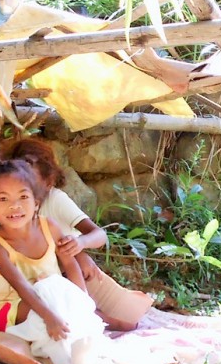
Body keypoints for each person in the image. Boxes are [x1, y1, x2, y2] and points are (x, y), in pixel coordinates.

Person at [9, 138, 153, 331]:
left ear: (48, 181)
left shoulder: (56, 200)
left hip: (70, 268)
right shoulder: (14, 207)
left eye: (32, 183)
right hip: (38, 273)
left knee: (109, 312)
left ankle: (100, 319)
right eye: (20, 184)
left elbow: (99, 235)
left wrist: (80, 245)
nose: (26, 192)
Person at [0, 159, 103, 355]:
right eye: (3, 199)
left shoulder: (49, 227)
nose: (15, 206)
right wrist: (50, 317)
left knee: (63, 297)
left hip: (51, 299)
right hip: (12, 310)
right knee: (50, 292)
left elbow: (71, 266)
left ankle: (73, 331)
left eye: (23, 197)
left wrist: (83, 304)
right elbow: (22, 288)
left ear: (36, 202)